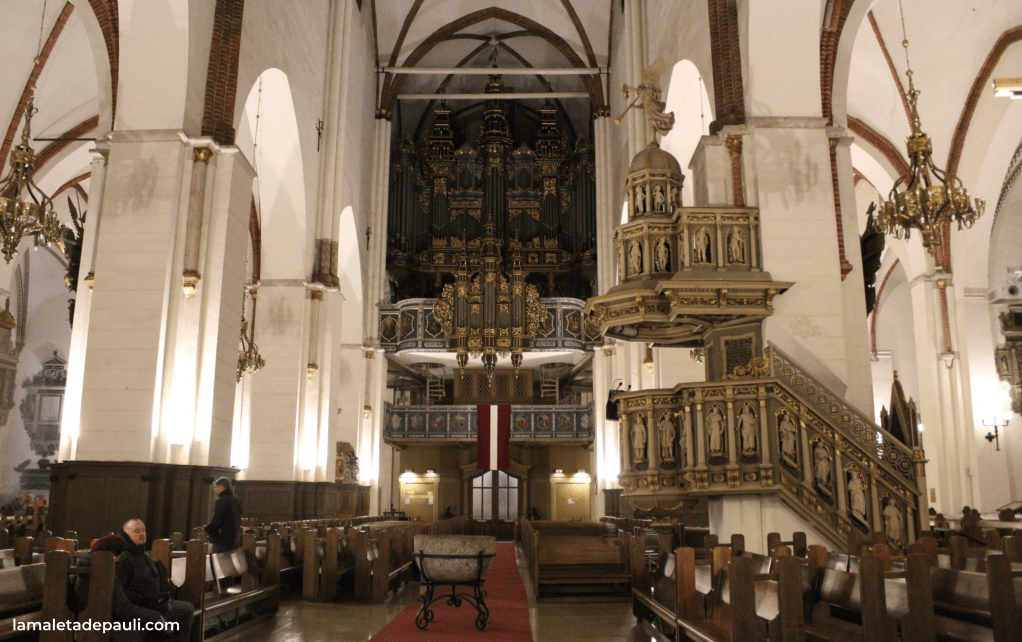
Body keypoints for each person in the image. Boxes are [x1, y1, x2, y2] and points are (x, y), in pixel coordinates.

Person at [76, 535, 166, 642]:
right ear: (114, 555)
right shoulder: (105, 571)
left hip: (92, 619)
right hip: (101, 624)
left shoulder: (88, 565)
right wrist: (156, 617)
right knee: (146, 629)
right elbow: (123, 609)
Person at [117, 519, 193, 642]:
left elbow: (154, 580)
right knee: (187, 609)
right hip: (143, 607)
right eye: (136, 531)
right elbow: (123, 592)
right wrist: (150, 602)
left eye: (143, 530)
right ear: (126, 534)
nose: (142, 534)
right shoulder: (123, 557)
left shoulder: (140, 552)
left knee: (187, 608)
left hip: (156, 603)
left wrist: (163, 598)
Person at [204, 477, 241, 554]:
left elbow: (217, 521)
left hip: (221, 538)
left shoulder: (221, 501)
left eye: (216, 488)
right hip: (233, 537)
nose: (215, 490)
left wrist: (206, 529)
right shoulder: (236, 499)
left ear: (221, 487)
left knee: (219, 558)